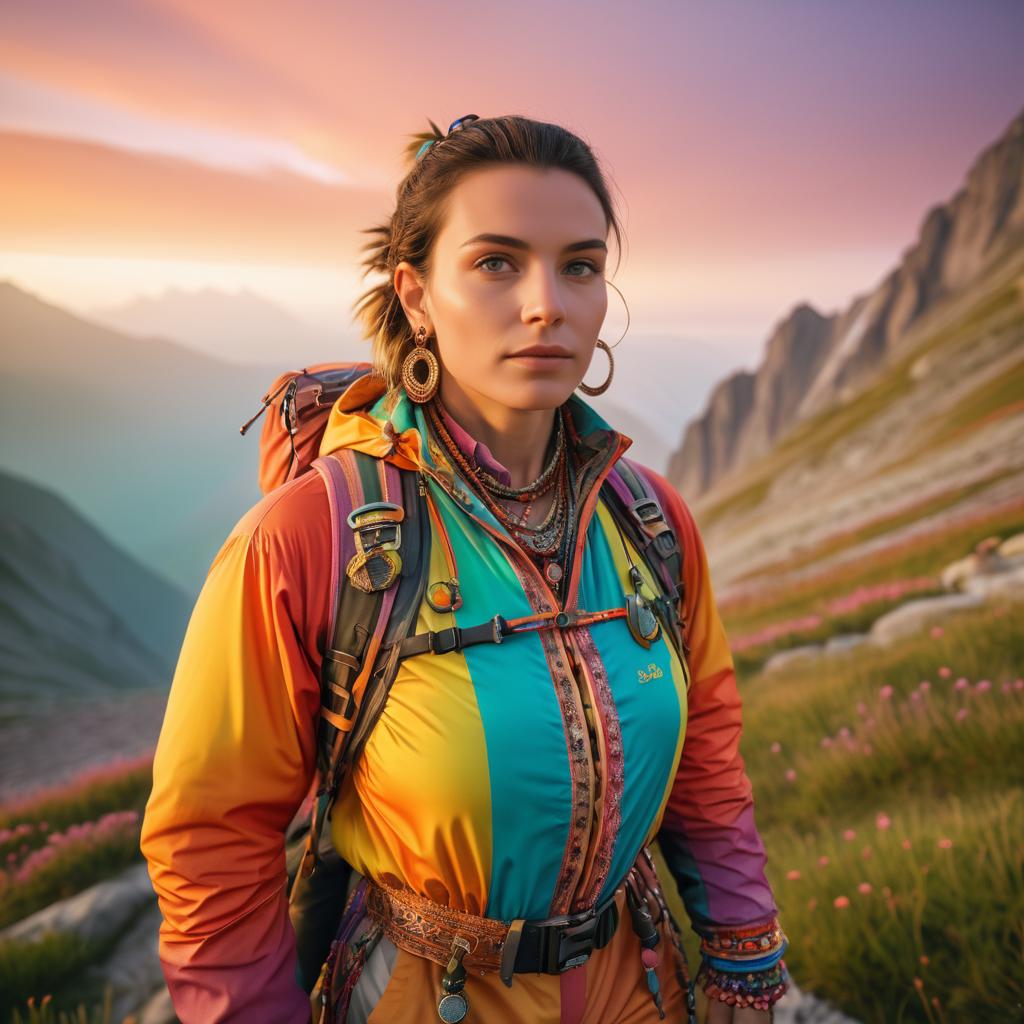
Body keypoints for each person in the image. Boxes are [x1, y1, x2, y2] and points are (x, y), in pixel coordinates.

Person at [140, 113, 789, 1023]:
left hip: (638, 987)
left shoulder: (649, 519)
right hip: (419, 996)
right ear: (415, 294)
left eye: (580, 264)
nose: (545, 304)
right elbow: (211, 836)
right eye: (496, 262)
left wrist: (742, 955)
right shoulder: (307, 538)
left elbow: (707, 754)